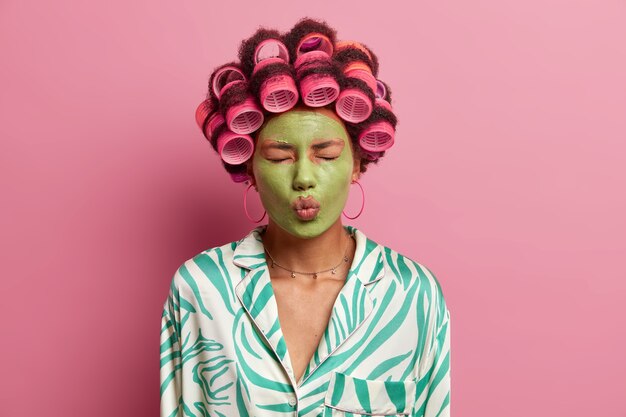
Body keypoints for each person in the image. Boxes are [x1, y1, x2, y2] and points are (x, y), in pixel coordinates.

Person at [160, 17, 451, 417]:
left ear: (357, 163)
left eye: (327, 155)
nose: (303, 178)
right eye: (279, 157)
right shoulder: (201, 288)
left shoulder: (412, 295)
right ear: (249, 169)